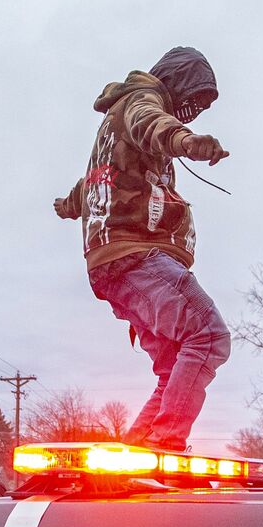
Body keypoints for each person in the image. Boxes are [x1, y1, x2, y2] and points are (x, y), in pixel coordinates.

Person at [53, 46, 231, 452]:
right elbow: (152, 123)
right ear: (177, 83)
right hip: (137, 256)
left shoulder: (115, 137)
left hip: (113, 264)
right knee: (208, 335)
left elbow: (92, 183)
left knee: (173, 368)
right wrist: (186, 141)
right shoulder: (141, 100)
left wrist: (69, 206)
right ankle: (166, 446)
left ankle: (134, 457)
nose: (196, 112)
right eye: (195, 101)